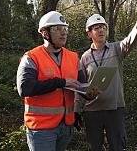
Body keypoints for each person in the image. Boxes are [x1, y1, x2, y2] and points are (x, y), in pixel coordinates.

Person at [76, 5, 137, 151]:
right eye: (96, 28)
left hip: (114, 109)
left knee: (117, 146)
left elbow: (130, 41)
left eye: (103, 27)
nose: (101, 30)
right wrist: (76, 110)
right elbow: (81, 86)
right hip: (92, 111)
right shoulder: (85, 57)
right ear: (89, 33)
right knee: (94, 147)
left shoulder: (116, 49)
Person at [16, 11, 86, 151]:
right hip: (41, 129)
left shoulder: (73, 57)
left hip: (66, 126)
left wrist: (89, 93)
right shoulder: (31, 57)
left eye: (65, 29)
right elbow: (24, 88)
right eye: (57, 29)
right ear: (45, 33)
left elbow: (82, 85)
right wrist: (61, 82)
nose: (63, 33)